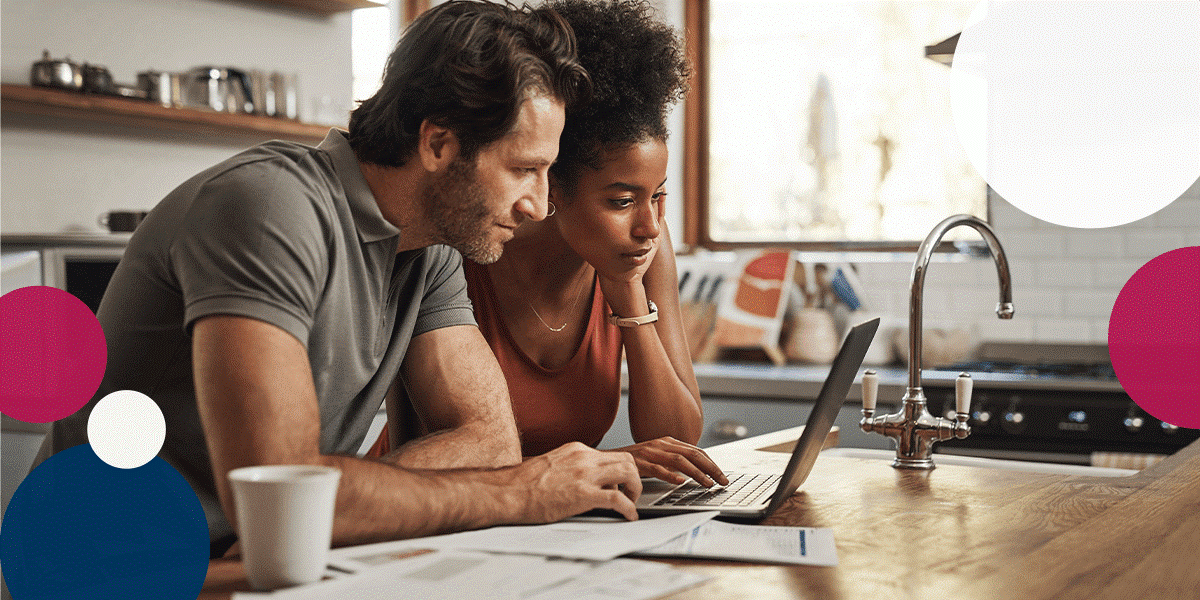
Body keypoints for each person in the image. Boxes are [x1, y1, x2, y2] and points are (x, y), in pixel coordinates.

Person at [34, 0, 641, 558]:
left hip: (257, 561)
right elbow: (278, 493)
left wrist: (335, 508)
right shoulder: (269, 207)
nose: (539, 205)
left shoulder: (431, 249)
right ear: (438, 143)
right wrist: (516, 494)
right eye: (524, 170)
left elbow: (487, 442)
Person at [369, 0, 727, 489]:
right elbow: (444, 443)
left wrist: (625, 295)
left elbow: (679, 440)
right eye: (622, 201)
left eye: (659, 197)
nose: (650, 226)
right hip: (431, 503)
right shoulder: (466, 244)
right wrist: (606, 464)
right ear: (552, 185)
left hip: (554, 516)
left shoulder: (641, 252)